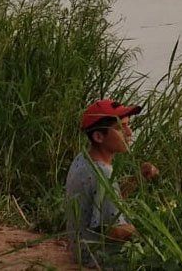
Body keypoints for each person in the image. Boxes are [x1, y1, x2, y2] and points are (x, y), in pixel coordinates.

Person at [65, 99, 159, 268]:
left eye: (128, 125)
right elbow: (113, 232)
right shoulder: (103, 174)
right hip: (96, 257)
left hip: (79, 248)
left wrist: (137, 179)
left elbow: (107, 202)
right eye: (120, 128)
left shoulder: (84, 158)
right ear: (99, 136)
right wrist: (151, 227)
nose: (129, 132)